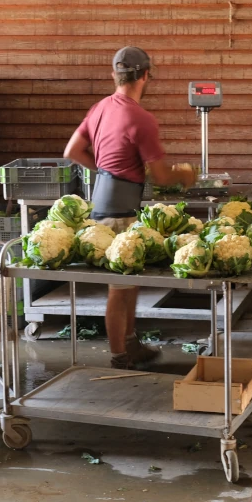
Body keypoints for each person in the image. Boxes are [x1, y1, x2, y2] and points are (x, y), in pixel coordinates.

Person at [63, 46, 196, 369]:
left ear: (115, 75)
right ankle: (119, 356)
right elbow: (163, 176)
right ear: (146, 76)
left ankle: (131, 344)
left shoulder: (99, 109)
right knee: (119, 291)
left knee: (128, 282)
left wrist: (106, 170)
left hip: (104, 206)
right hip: (120, 214)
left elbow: (73, 150)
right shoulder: (142, 119)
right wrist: (185, 174)